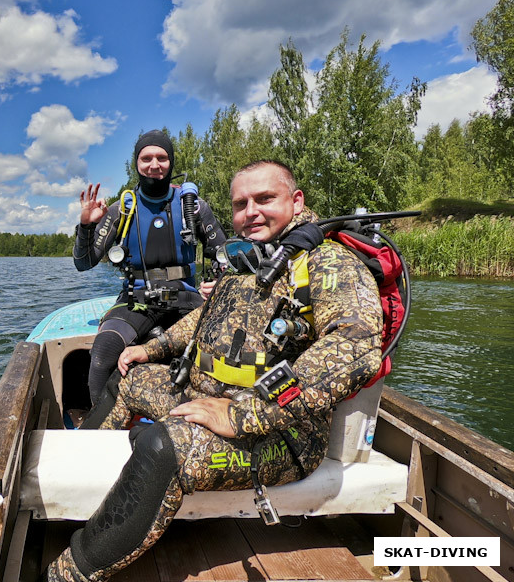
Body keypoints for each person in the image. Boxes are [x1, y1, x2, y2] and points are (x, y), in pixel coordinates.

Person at [46, 160, 384, 582]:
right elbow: (204, 318)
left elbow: (355, 347)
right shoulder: (249, 259)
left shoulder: (328, 262)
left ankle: (69, 572)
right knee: (129, 381)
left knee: (163, 446)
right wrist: (153, 349)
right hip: (205, 397)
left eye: (265, 199)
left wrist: (243, 414)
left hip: (285, 435)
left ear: (296, 201)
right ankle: (76, 492)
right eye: (241, 204)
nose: (251, 212)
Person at [73, 129, 226, 404]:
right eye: (146, 158)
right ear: (136, 163)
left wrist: (218, 282)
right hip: (135, 299)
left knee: (215, 350)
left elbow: (223, 256)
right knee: (102, 355)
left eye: (162, 157)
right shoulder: (121, 209)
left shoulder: (193, 207)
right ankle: (104, 431)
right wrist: (86, 226)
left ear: (171, 162)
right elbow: (84, 263)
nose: (154, 165)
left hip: (186, 297)